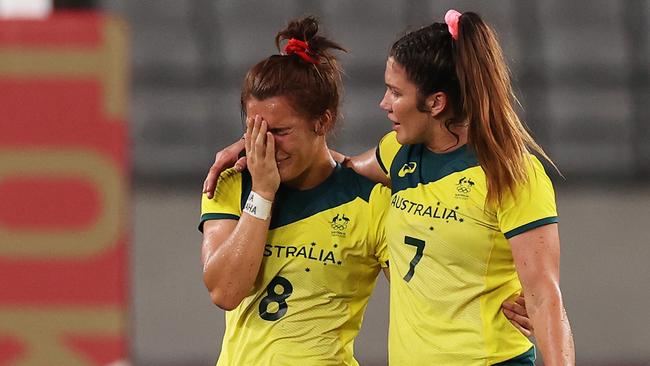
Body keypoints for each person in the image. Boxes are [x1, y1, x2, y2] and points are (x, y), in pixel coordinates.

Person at [203, 10, 573, 366]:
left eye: (396, 93)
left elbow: (544, 294)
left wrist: (537, 304)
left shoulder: (511, 173)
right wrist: (259, 149)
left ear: (436, 102)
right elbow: (339, 167)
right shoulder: (398, 154)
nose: (384, 103)